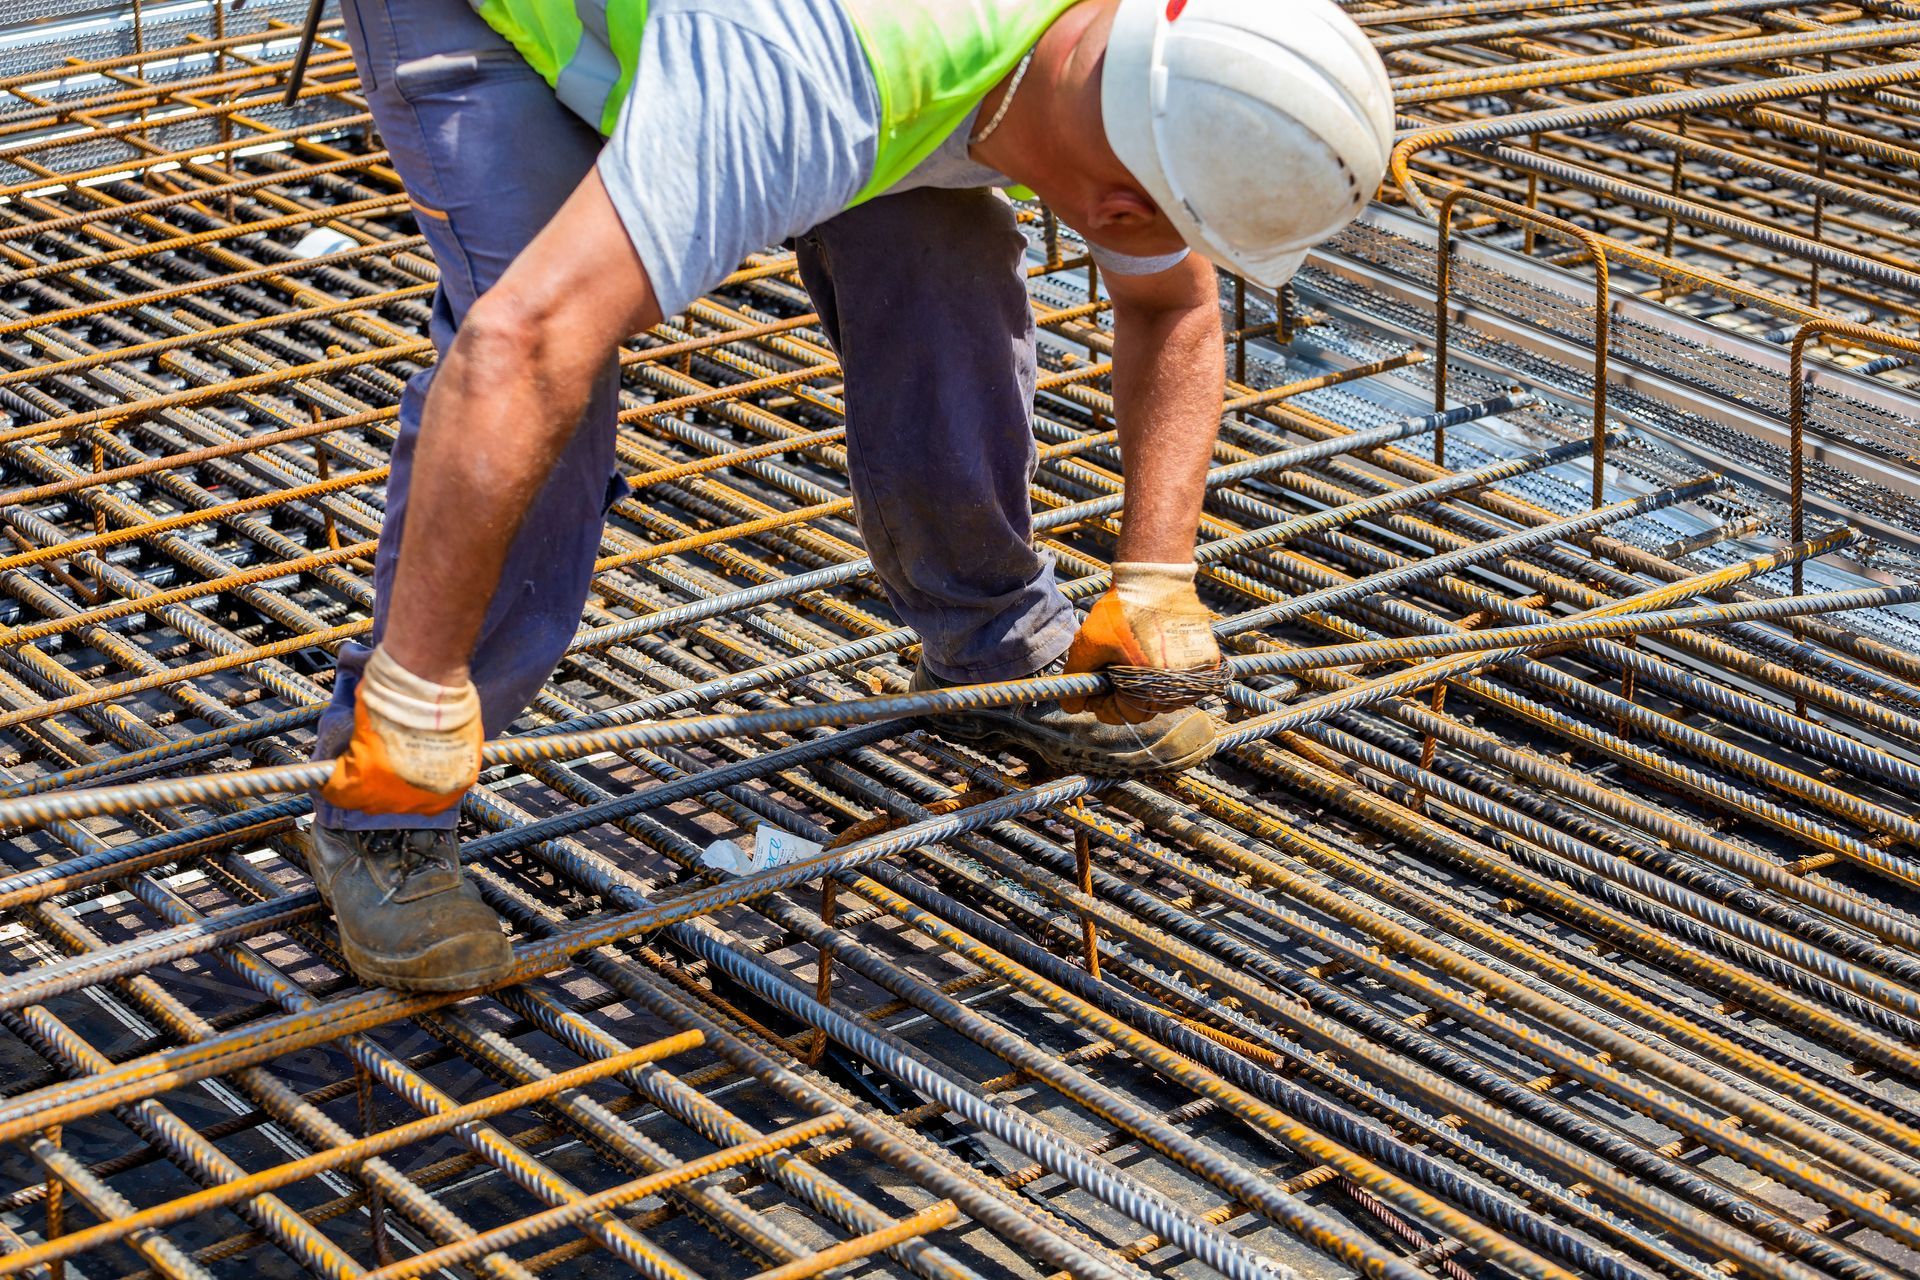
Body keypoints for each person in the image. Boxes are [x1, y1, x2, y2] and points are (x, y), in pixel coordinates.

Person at [305, 0, 1393, 990]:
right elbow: (522, 349)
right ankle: (385, 798)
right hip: (506, 17)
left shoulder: (1150, 58)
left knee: (942, 239)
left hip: (794, 47)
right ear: (1120, 199)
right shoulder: (804, 78)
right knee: (551, 366)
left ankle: (993, 637)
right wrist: (416, 682)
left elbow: (1169, 306)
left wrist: (1156, 575)